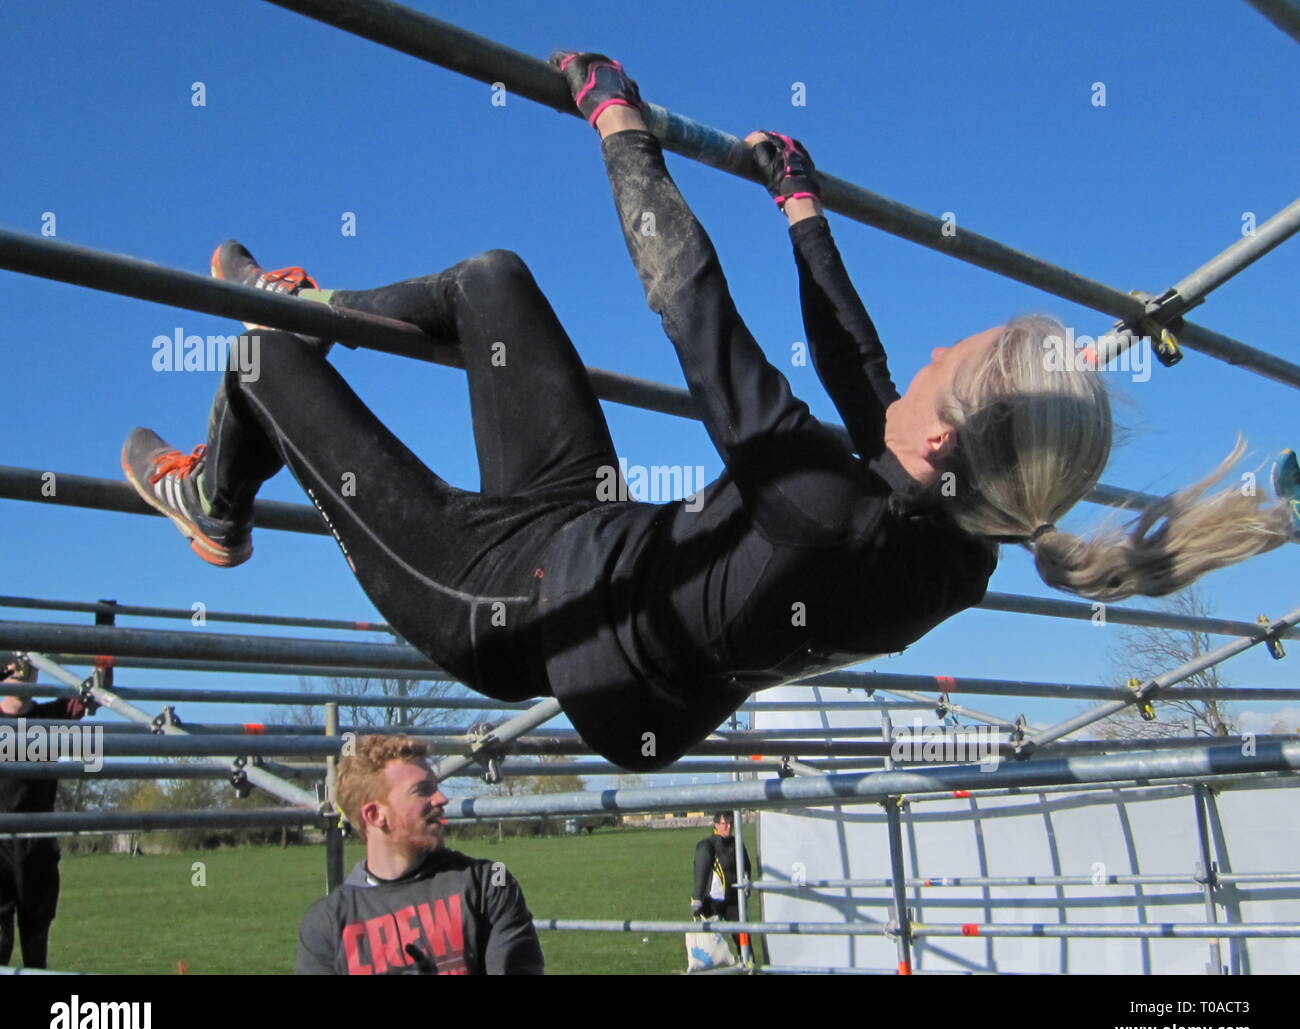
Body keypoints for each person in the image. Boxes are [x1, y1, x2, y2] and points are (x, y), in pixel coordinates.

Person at [120, 54, 1291, 774]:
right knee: (493, 280)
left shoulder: (831, 514)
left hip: (506, 608)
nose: (931, 349)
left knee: (257, 358)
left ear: (937, 441)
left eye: (954, 359)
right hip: (586, 535)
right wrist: (800, 208)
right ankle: (316, 309)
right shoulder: (960, 538)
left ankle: (213, 496)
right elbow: (859, 371)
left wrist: (619, 130)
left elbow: (692, 311)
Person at [295, 734, 544, 975]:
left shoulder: (486, 886)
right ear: (374, 815)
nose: (442, 799)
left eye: (436, 787)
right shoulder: (326, 924)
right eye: (422, 790)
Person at [0, 655, 88, 970]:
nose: (24, 676)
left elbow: (94, 694)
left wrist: (104, 631)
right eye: (16, 669)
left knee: (36, 947)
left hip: (37, 846)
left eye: (32, 670)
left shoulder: (50, 717)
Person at [692, 812, 752, 952]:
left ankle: (748, 965)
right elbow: (701, 871)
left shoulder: (737, 844)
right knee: (710, 943)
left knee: (743, 936)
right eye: (725, 824)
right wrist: (697, 899)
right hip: (712, 902)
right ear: (716, 824)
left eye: (731, 823)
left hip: (734, 901)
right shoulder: (707, 845)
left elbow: (746, 867)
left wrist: (747, 887)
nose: (728, 827)